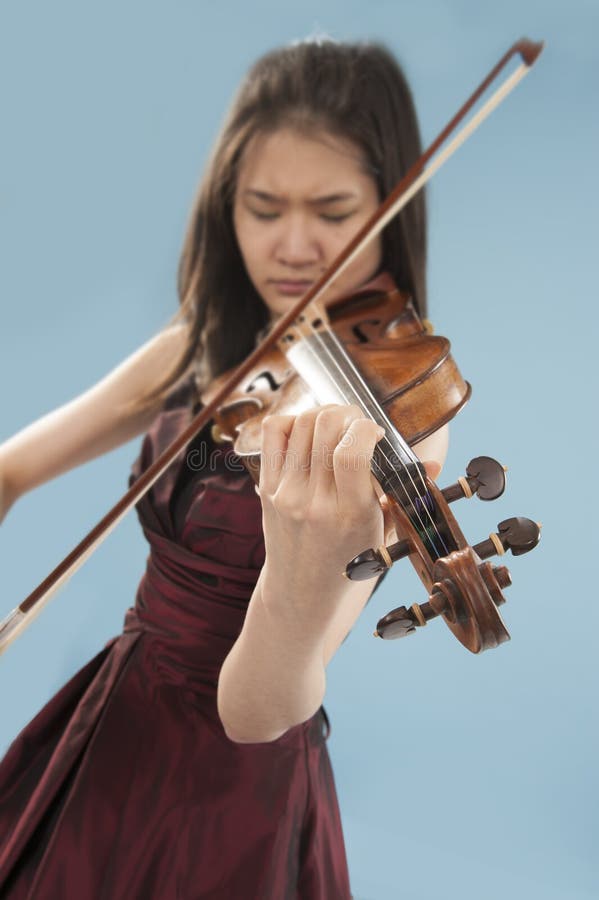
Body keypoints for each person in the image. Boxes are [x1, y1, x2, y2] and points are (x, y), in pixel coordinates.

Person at [0, 37, 448, 899]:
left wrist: (302, 568)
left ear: (393, 204)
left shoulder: (402, 427)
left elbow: (256, 712)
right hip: (116, 722)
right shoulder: (206, 348)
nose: (292, 246)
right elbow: (12, 469)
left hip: (237, 791)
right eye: (262, 207)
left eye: (333, 209)